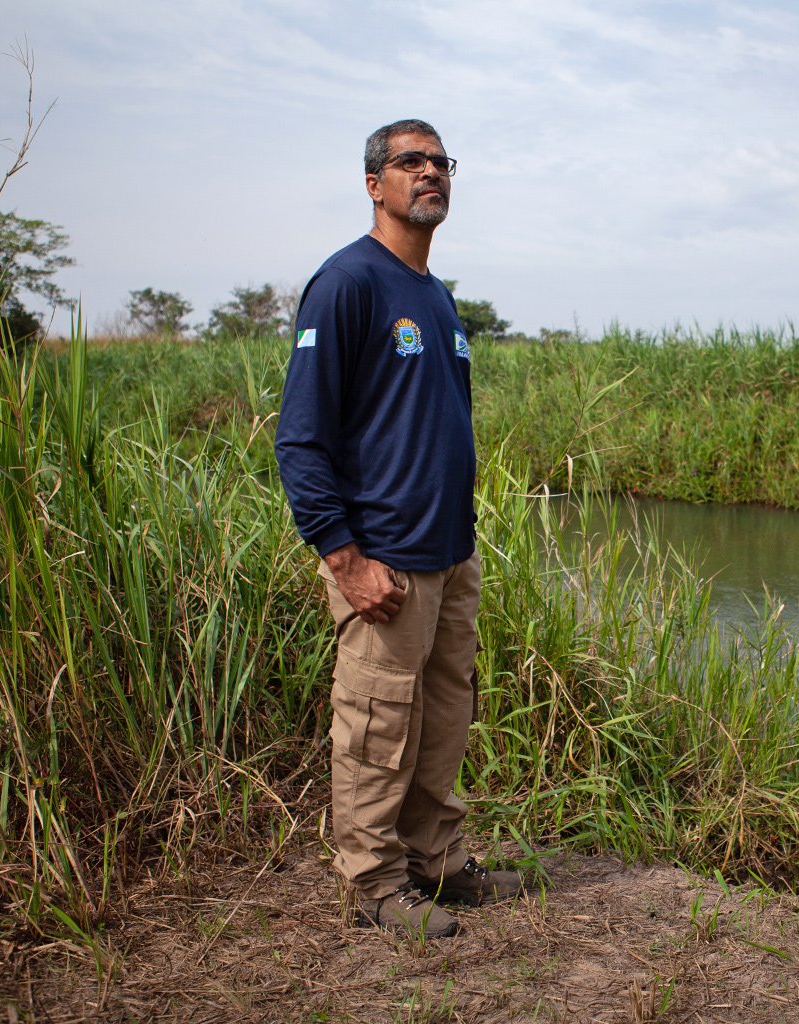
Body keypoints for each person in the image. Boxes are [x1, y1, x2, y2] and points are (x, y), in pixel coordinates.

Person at [275, 118, 519, 938]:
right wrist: (345, 559)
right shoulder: (347, 284)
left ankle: (435, 861)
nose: (430, 173)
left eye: (441, 162)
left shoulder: (439, 299)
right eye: (410, 162)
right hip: (381, 560)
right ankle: (376, 884)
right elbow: (301, 439)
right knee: (377, 724)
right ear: (375, 184)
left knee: (444, 718)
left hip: (449, 557)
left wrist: (463, 545)